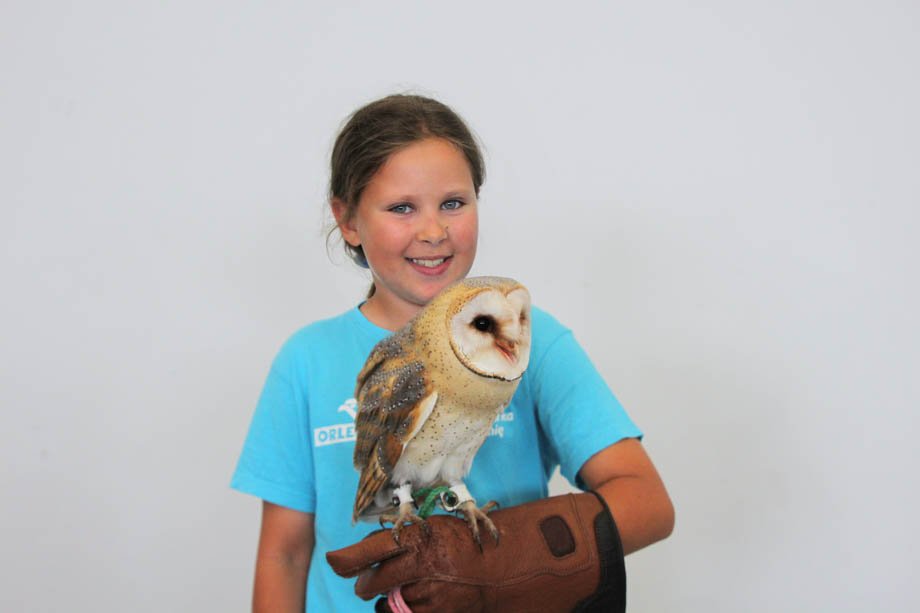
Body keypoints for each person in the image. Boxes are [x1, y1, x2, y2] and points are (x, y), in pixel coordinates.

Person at [231, 94, 674, 612]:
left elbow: (649, 505)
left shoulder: (525, 339)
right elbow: (283, 556)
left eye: (453, 203)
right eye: (402, 208)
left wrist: (501, 559)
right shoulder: (308, 360)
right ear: (347, 219)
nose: (433, 231)